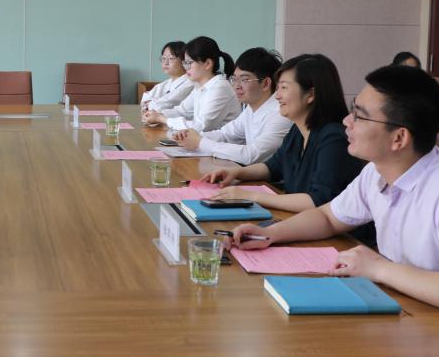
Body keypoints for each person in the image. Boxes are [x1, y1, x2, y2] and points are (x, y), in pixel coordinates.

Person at [232, 65, 439, 340]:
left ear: (399, 138)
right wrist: (269, 234)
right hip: (417, 319)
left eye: (359, 116)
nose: (346, 121)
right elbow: (328, 217)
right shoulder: (376, 171)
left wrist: (378, 268)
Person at [202, 54, 368, 223]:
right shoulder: (298, 129)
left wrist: (251, 196)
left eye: (284, 87)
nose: (277, 96)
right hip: (300, 221)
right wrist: (237, 173)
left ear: (311, 94)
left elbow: (319, 200)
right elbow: (273, 167)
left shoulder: (334, 138)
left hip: (336, 233)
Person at [172, 47, 292, 164]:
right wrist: (190, 136)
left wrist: (200, 142)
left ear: (265, 83)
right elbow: (225, 134)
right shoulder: (251, 108)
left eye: (244, 80)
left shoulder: (281, 113)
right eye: (234, 79)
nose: (236, 86)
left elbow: (251, 155)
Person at [142, 36, 239, 133]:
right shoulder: (199, 86)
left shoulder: (220, 87)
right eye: (185, 63)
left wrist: (162, 119)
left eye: (189, 63)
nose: (186, 67)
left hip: (218, 141)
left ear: (208, 64)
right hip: (203, 140)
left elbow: (201, 126)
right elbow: (181, 111)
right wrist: (156, 114)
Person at [139, 41, 194, 113]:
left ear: (184, 61)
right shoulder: (166, 83)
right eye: (163, 58)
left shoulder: (190, 83)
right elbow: (144, 99)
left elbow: (162, 106)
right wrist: (150, 104)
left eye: (171, 58)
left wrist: (151, 104)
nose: (165, 62)